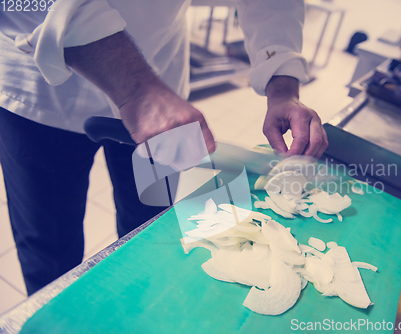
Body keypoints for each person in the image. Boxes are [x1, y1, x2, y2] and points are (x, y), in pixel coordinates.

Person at [0, 0, 328, 295]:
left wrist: (283, 87)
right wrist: (136, 88)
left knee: (150, 228)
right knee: (50, 251)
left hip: (159, 72)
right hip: (38, 89)